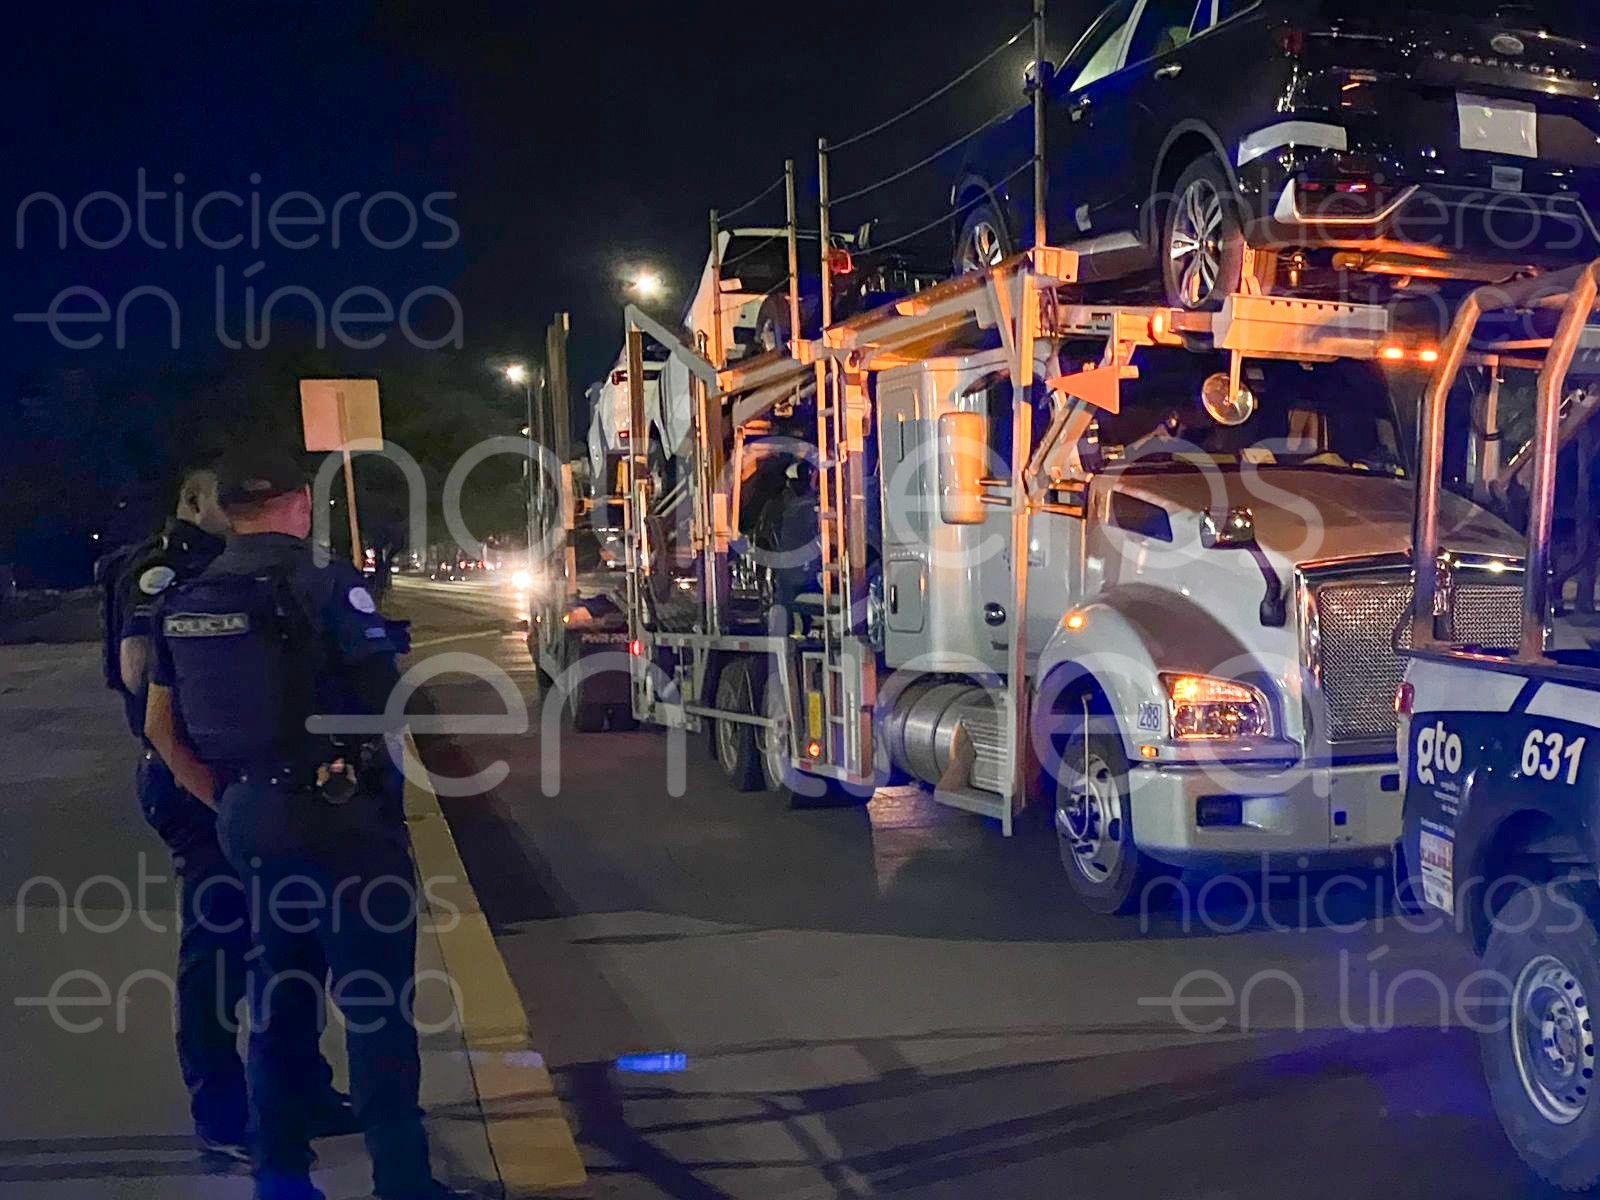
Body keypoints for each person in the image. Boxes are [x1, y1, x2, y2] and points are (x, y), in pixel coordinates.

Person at [143, 446, 468, 1200]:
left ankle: (281, 1177)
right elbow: (386, 702)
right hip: (337, 819)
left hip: (247, 818)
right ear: (297, 503)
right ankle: (403, 1183)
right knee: (376, 1010)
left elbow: (163, 727)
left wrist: (224, 799)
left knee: (278, 1000)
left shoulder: (186, 595)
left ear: (227, 510)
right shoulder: (321, 581)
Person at [102, 462, 355, 1162]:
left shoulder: (229, 564)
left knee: (288, 944)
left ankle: (301, 1090)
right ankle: (221, 1112)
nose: (245, 504)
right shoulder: (161, 569)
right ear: (195, 500)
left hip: (246, 781)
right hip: (192, 780)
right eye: (229, 495)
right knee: (218, 953)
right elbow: (139, 679)